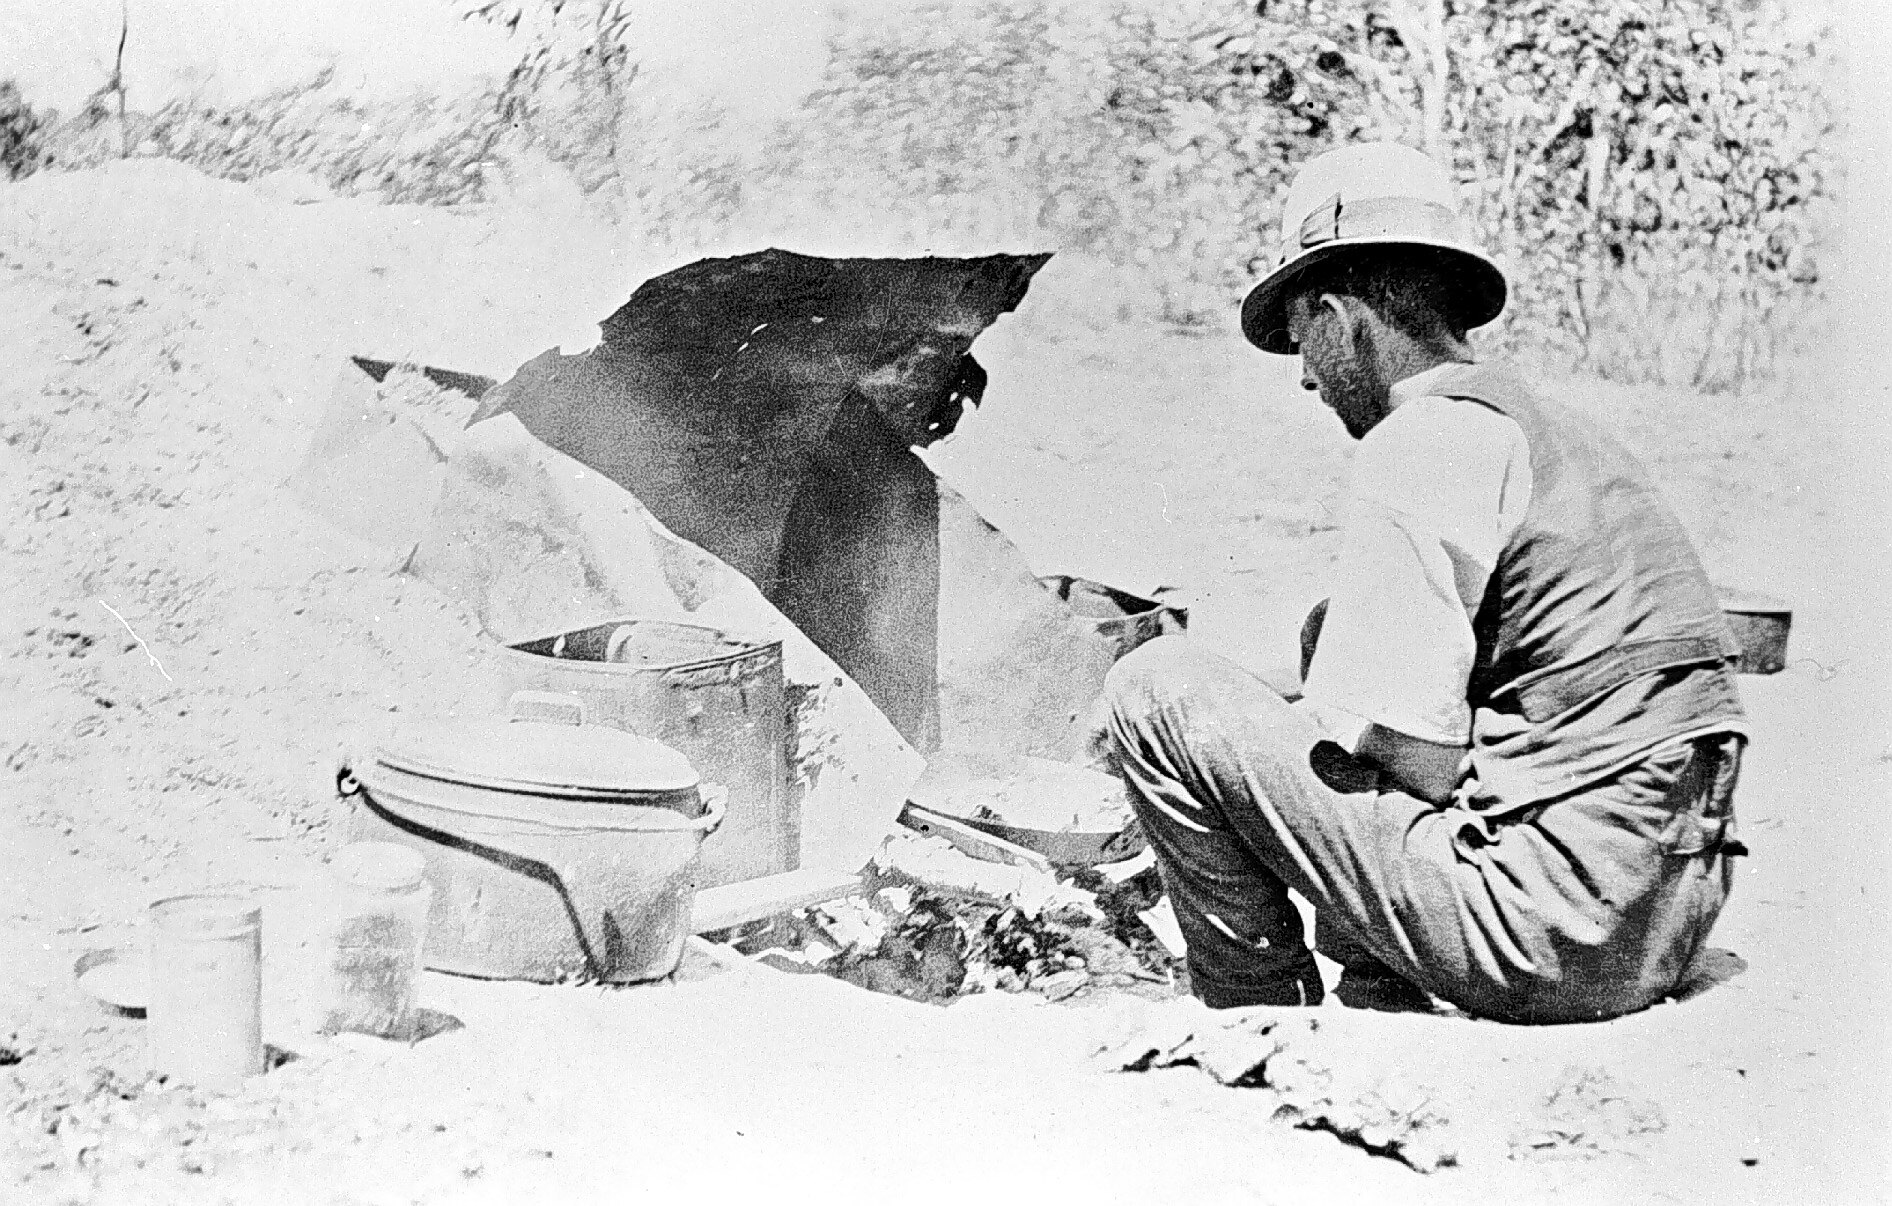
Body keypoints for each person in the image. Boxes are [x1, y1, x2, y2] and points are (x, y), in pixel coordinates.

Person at [1105, 142, 1749, 1023]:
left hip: (1552, 939)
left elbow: (1420, 761)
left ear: (1340, 317)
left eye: (1300, 341)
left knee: (1155, 692)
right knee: (1329, 633)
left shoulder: (1424, 442)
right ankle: (1378, 987)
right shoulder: (1555, 433)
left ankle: (1256, 1010)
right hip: (1660, 922)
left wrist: (1265, 761)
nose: (1306, 376)